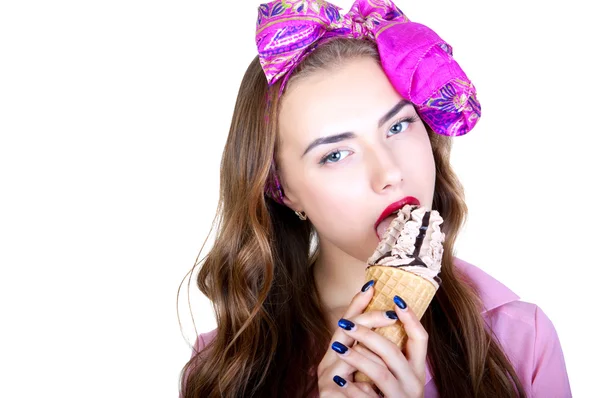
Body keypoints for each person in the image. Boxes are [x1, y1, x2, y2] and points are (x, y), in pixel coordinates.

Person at [179, 0, 572, 396]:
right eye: (335, 154)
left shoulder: (521, 341)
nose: (389, 173)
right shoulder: (222, 370)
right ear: (284, 191)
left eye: (399, 125)